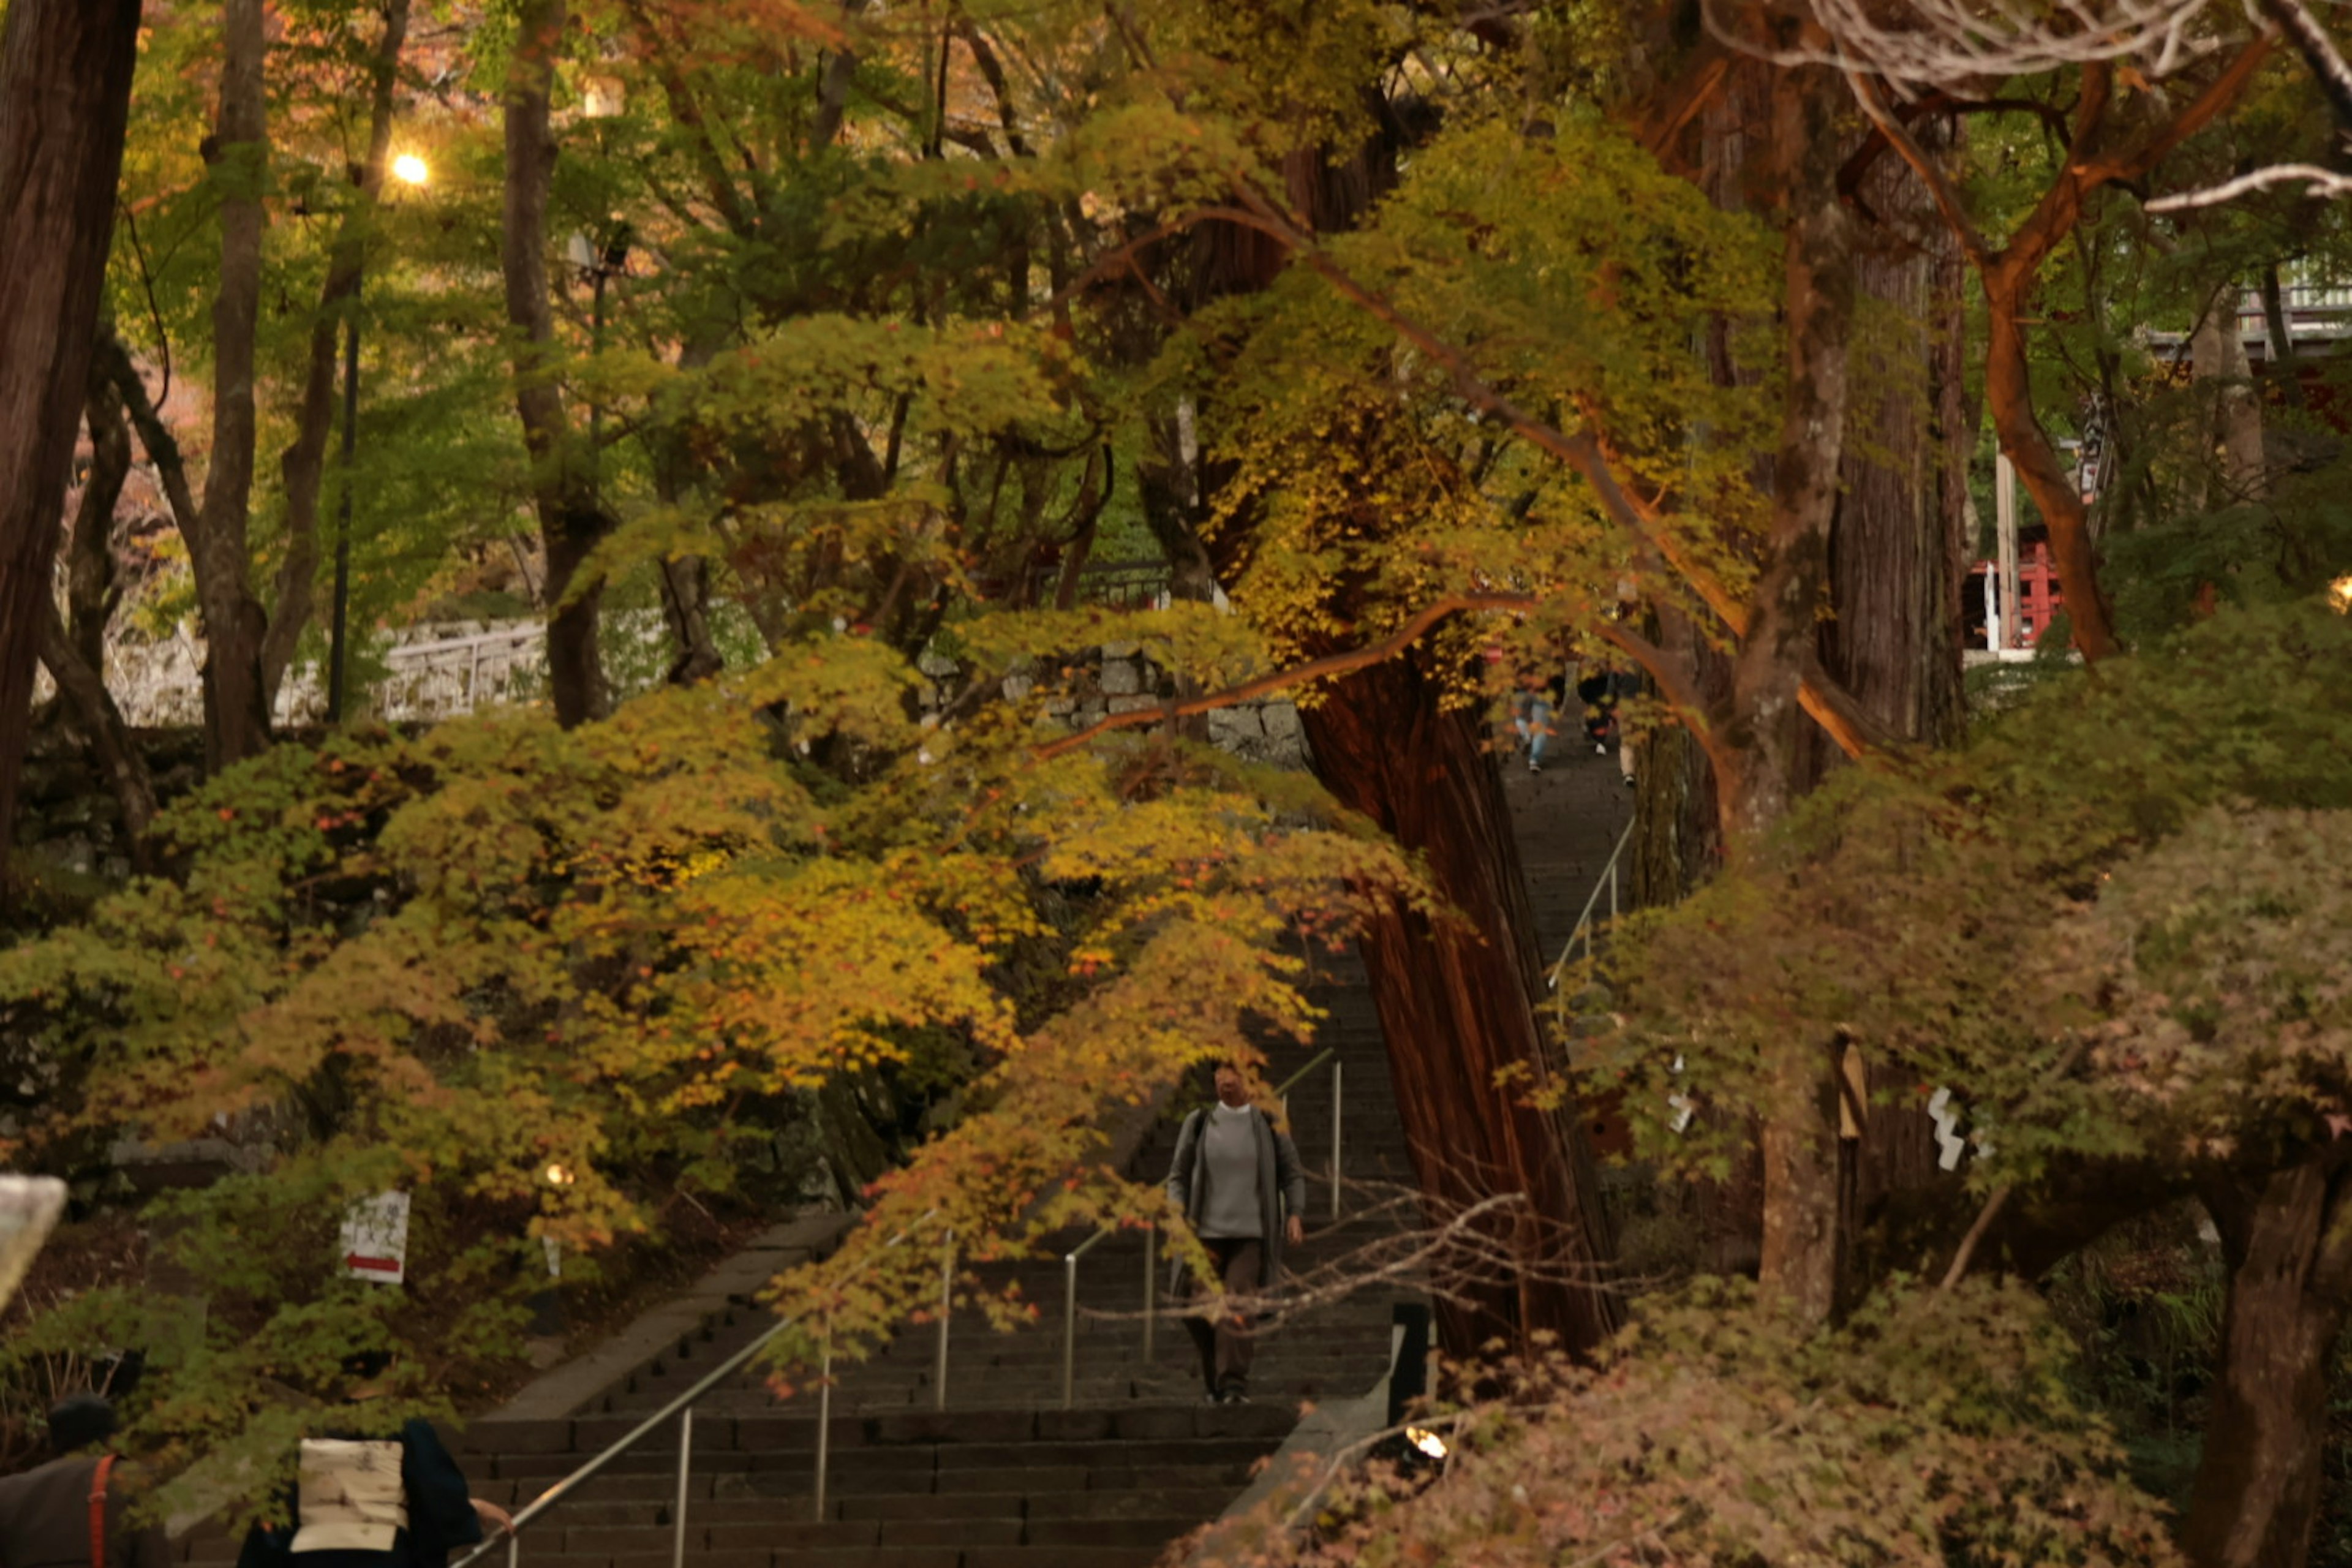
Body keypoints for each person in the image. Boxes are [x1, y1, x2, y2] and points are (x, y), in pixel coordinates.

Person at [234, 1354, 510, 1568]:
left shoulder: (311, 1430)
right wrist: (468, 1511)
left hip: (313, 1557)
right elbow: (435, 1495)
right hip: (381, 1556)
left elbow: (277, 1509)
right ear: (392, 1365)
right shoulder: (405, 1427)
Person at [1164, 1060, 1308, 1404]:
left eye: (1234, 1073)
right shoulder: (1199, 1123)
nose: (1226, 1080)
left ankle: (1233, 1384)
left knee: (1236, 1303)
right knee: (1199, 1306)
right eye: (1220, 1073)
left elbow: (1293, 1174)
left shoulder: (1269, 1123)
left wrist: (1295, 1214)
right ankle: (1218, 1376)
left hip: (1250, 1235)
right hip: (1205, 1235)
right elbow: (1177, 1176)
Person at [0, 1393, 170, 1568]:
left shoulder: (7, 1491)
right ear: (111, 1439)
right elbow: (153, 1559)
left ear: (53, 1441)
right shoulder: (130, 1479)